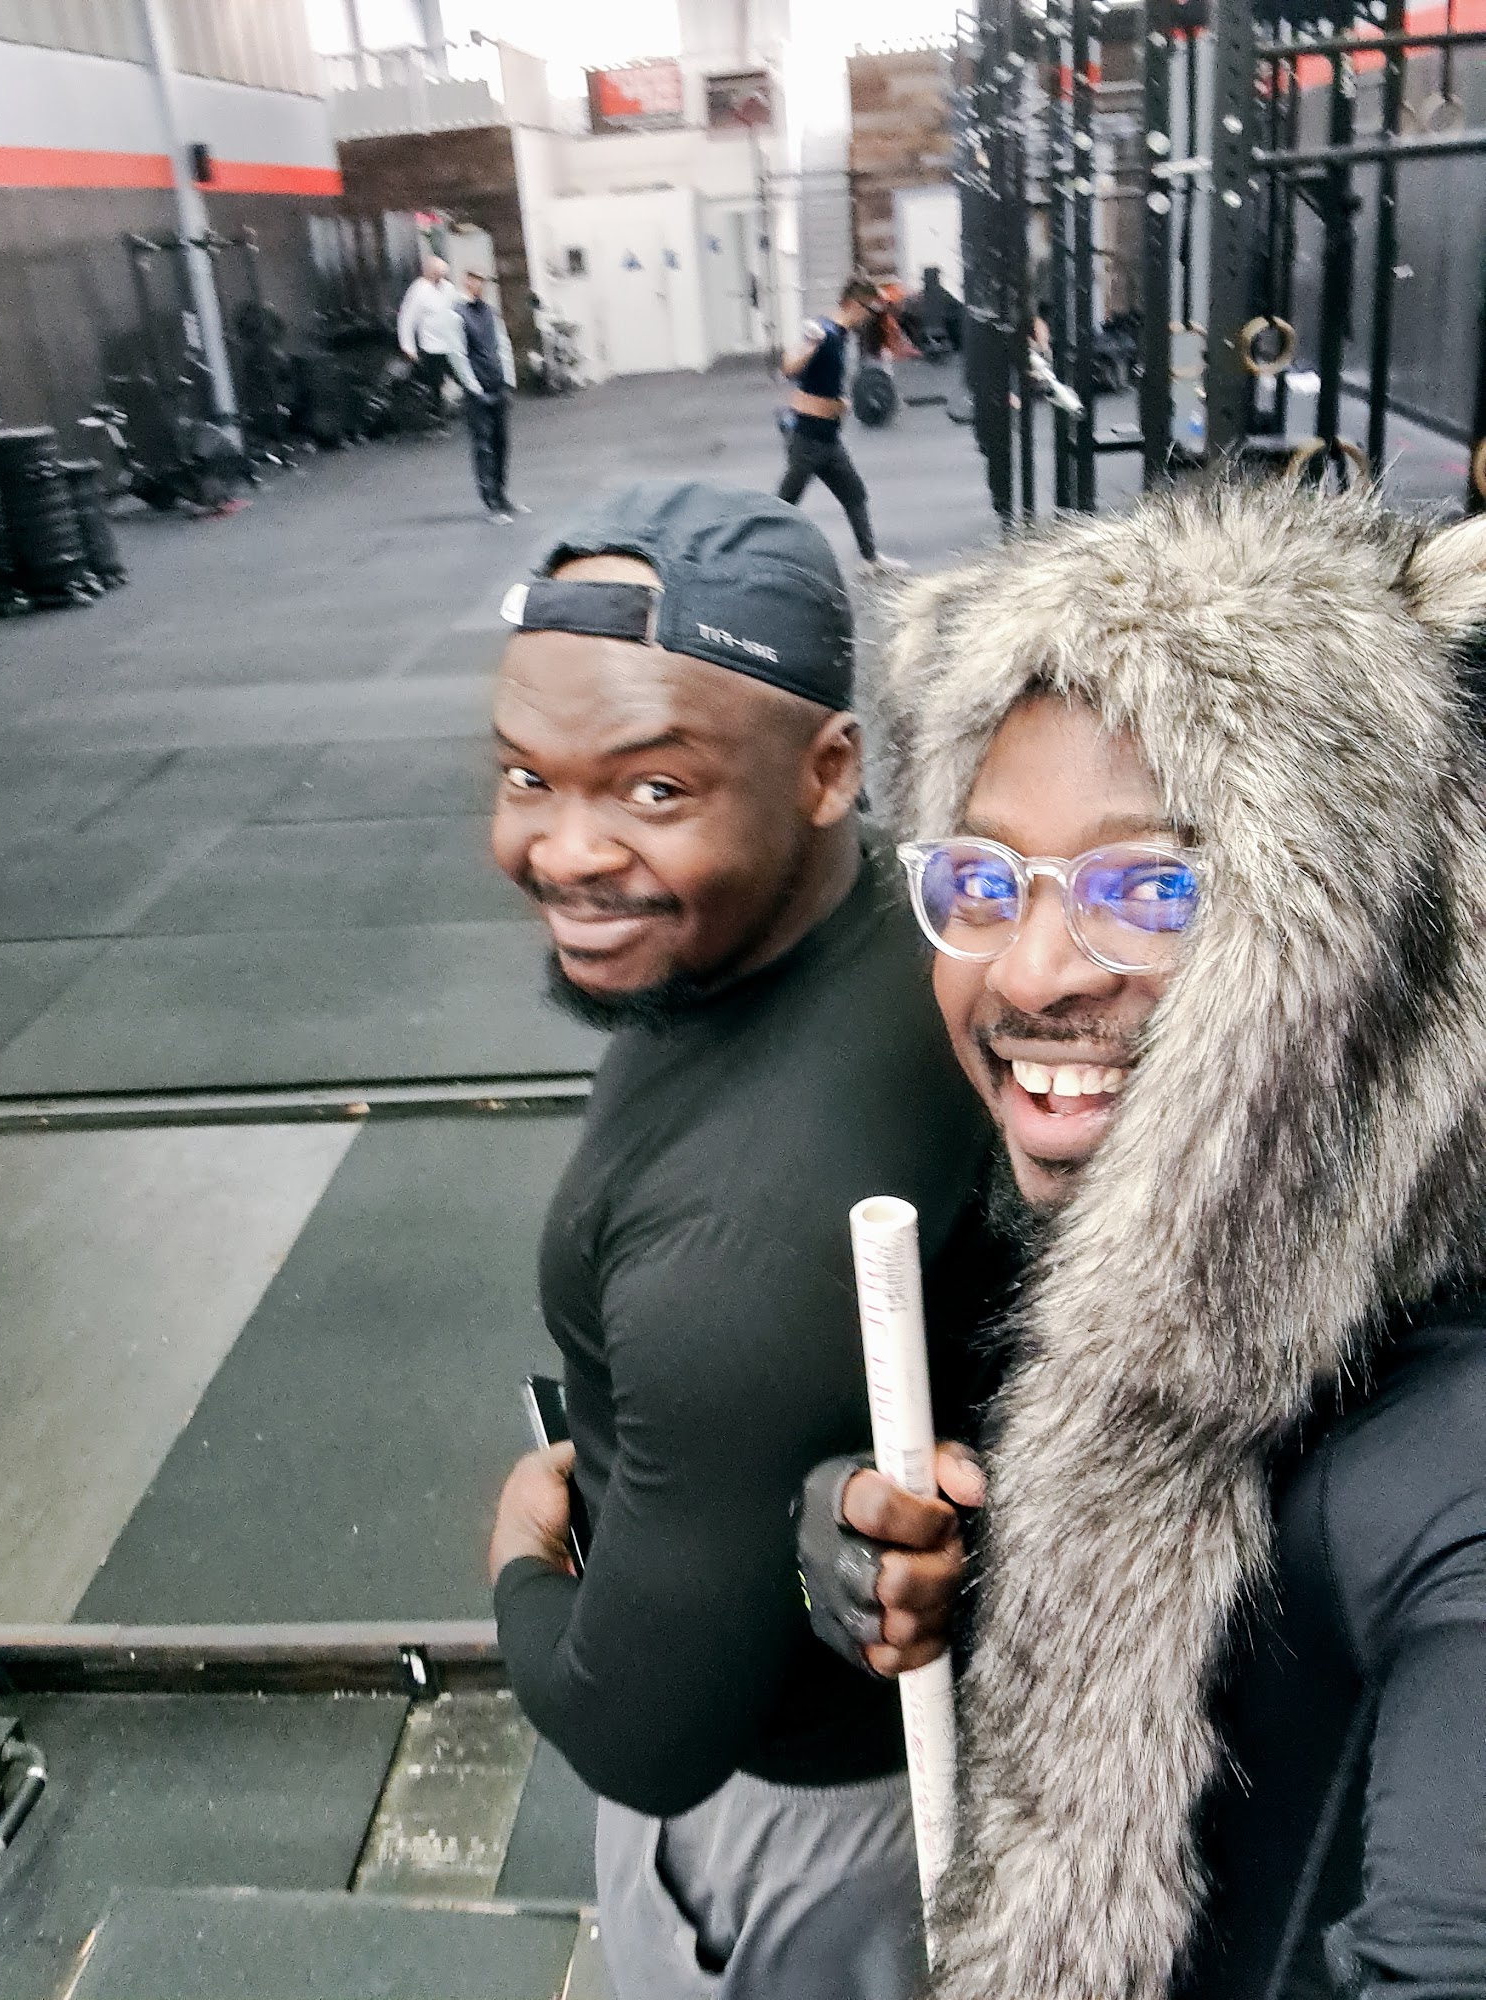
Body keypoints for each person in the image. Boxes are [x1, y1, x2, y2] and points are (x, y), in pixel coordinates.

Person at [801, 481, 1486, 2000]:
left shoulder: (1452, 1454)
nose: (1030, 969)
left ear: (1367, 947)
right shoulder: (1091, 1244)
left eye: (1155, 887)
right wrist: (923, 1562)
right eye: (983, 879)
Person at [483, 479, 992, 2000]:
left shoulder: (736, 1250)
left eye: (654, 789)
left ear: (830, 770)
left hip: (795, 1829)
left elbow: (635, 1732)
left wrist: (516, 1563)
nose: (565, 850)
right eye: (526, 775)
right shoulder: (882, 920)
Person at [777, 276, 904, 574]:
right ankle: (754, 556)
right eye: (867, 309)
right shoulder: (824, 332)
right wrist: (809, 345)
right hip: (807, 439)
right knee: (783, 506)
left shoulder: (842, 336)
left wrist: (841, 404)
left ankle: (871, 561)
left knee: (855, 494)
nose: (868, 317)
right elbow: (789, 367)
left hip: (829, 440)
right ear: (852, 304)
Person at [458, 269, 524, 523]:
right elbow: (458, 354)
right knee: (484, 446)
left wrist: (508, 380)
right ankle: (491, 502)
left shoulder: (489, 312)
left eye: (483, 281)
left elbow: (503, 345)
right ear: (467, 281)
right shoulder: (457, 314)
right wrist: (473, 387)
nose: (480, 285)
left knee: (501, 443)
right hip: (478, 389)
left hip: (497, 384)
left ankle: (501, 495)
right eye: (476, 280)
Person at [396, 254, 480, 422]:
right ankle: (436, 414)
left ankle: (477, 404)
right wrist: (408, 347)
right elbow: (407, 319)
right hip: (431, 346)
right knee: (435, 382)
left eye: (442, 275)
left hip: (451, 343)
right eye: (437, 274)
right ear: (428, 272)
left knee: (463, 376)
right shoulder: (418, 290)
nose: (439, 277)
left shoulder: (447, 287)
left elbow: (459, 303)